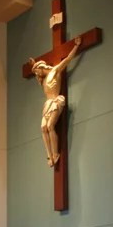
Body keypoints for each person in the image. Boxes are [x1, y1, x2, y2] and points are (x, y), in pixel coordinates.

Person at [30, 36, 81, 167]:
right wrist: (33, 64)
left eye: (37, 72)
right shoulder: (43, 79)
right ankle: (49, 155)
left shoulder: (55, 70)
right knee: (43, 127)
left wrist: (76, 46)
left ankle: (55, 154)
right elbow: (37, 73)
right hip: (48, 104)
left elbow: (68, 59)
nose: (37, 76)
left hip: (55, 101)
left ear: (42, 67)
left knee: (50, 126)